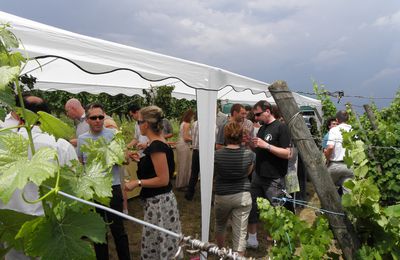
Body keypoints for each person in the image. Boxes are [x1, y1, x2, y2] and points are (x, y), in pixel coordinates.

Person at [0, 95, 77, 260]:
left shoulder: (4, 145)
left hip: (12, 225)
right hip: (49, 225)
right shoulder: (61, 145)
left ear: (18, 117)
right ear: (47, 117)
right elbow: (74, 188)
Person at [125, 106, 181, 259]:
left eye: (138, 122)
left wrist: (137, 182)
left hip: (159, 204)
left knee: (157, 245)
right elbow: (156, 169)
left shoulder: (156, 146)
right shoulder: (155, 143)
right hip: (159, 202)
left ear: (146, 124)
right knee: (160, 242)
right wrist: (142, 160)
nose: (138, 126)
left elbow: (163, 179)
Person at [77, 103, 130, 260]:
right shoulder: (82, 139)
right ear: (87, 120)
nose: (98, 120)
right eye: (94, 118)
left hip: (112, 188)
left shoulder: (113, 134)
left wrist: (120, 156)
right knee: (98, 231)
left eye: (101, 117)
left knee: (118, 229)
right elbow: (81, 162)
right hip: (94, 190)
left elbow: (125, 160)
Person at [246, 100, 291, 249]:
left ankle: (279, 242)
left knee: (276, 209)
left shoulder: (281, 127)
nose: (256, 118)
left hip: (274, 178)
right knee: (252, 206)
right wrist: (251, 145)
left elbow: (287, 153)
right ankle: (252, 239)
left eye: (258, 114)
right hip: (258, 175)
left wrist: (267, 145)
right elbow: (260, 152)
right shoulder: (262, 128)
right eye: (254, 115)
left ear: (268, 111)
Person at [214, 122, 254, 256]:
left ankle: (221, 252)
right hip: (242, 194)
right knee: (240, 232)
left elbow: (215, 172)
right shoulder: (249, 155)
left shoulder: (217, 155)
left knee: (220, 225)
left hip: (222, 195)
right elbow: (248, 173)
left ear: (226, 135)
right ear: (241, 136)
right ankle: (239, 257)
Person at [324, 110, 354, 194]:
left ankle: (327, 206)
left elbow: (330, 147)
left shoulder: (334, 130)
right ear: (348, 118)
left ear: (337, 120)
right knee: (348, 192)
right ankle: (345, 206)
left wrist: (327, 159)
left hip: (335, 165)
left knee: (325, 186)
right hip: (349, 166)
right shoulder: (353, 130)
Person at [175, 109, 194, 189]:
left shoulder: (182, 123)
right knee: (184, 165)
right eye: (193, 116)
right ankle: (182, 185)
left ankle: (181, 183)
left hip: (180, 144)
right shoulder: (187, 124)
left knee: (182, 165)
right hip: (184, 145)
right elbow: (186, 138)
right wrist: (194, 139)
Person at [185, 114, 199, 201]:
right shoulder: (212, 125)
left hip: (195, 151)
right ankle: (206, 195)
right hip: (205, 153)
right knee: (207, 175)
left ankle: (189, 194)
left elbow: (192, 135)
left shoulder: (195, 123)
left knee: (194, 173)